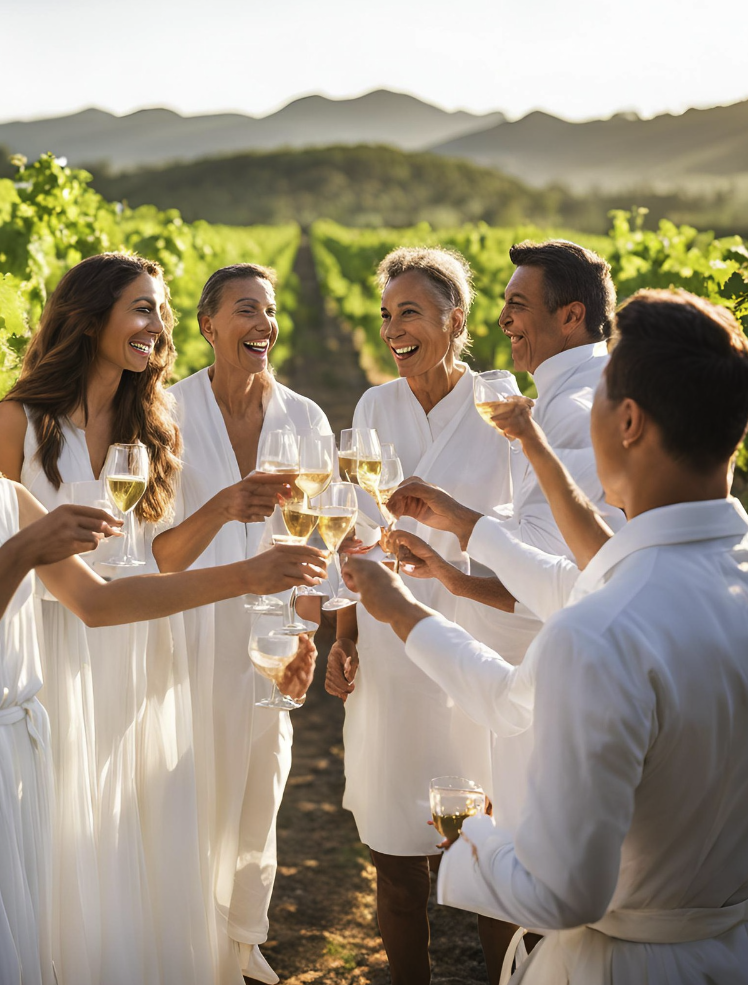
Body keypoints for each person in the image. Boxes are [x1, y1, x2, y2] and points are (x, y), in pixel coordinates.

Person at [0, 299, 326, 985]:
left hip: (33, 777)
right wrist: (15, 558)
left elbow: (103, 602)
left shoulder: (0, 501)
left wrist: (247, 574)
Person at [343, 288, 748, 984]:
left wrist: (465, 831)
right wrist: (466, 532)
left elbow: (560, 892)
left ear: (625, 420)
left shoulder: (596, 635)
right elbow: (591, 575)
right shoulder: (706, 580)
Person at [378, 240, 626, 979]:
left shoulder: (576, 409)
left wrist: (458, 533)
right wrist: (456, 571)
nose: (505, 320)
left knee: (535, 873)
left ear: (570, 314)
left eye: (517, 304)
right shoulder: (549, 402)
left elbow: (569, 584)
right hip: (525, 662)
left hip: (548, 676)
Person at [322, 246, 519, 985]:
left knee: (487, 860)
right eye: (385, 315)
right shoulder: (374, 407)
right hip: (390, 653)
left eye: (409, 312)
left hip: (476, 655)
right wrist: (345, 637)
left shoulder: (500, 412)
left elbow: (521, 548)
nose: (392, 328)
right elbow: (351, 531)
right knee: (394, 858)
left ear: (453, 319)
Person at [152, 263, 331, 984]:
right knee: (183, 784)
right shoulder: (163, 412)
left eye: (271, 309)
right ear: (206, 323)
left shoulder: (305, 418)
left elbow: (319, 542)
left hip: (267, 634)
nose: (264, 323)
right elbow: (155, 554)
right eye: (246, 308)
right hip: (183, 625)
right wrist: (225, 503)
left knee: (262, 783)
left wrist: (309, 634)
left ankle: (240, 937)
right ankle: (185, 933)